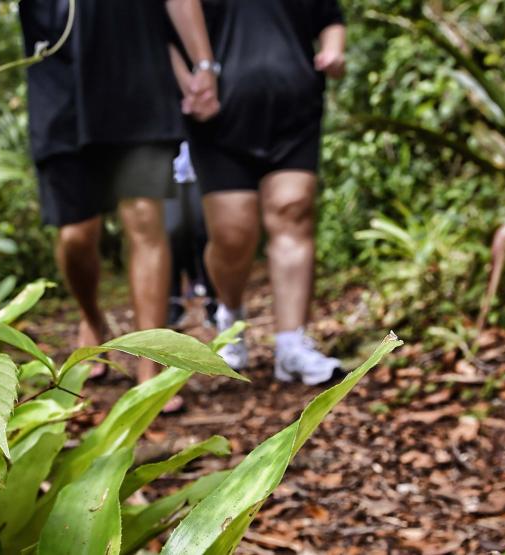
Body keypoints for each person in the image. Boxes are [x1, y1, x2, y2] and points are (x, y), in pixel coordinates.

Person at [18, 0, 220, 386]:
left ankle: (150, 366)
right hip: (59, 90)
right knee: (76, 234)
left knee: (145, 216)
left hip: (137, 79)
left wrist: (203, 65)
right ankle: (94, 319)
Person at [171, 0, 347, 385]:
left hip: (295, 109)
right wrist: (189, 81)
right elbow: (162, 32)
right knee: (234, 234)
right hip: (217, 118)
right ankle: (230, 315)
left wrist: (334, 51)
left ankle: (292, 344)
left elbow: (330, 18)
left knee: (293, 210)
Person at [165, 142, 217, 329]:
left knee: (203, 231)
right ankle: (174, 302)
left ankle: (213, 300)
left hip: (200, 171)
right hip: (169, 174)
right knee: (172, 232)